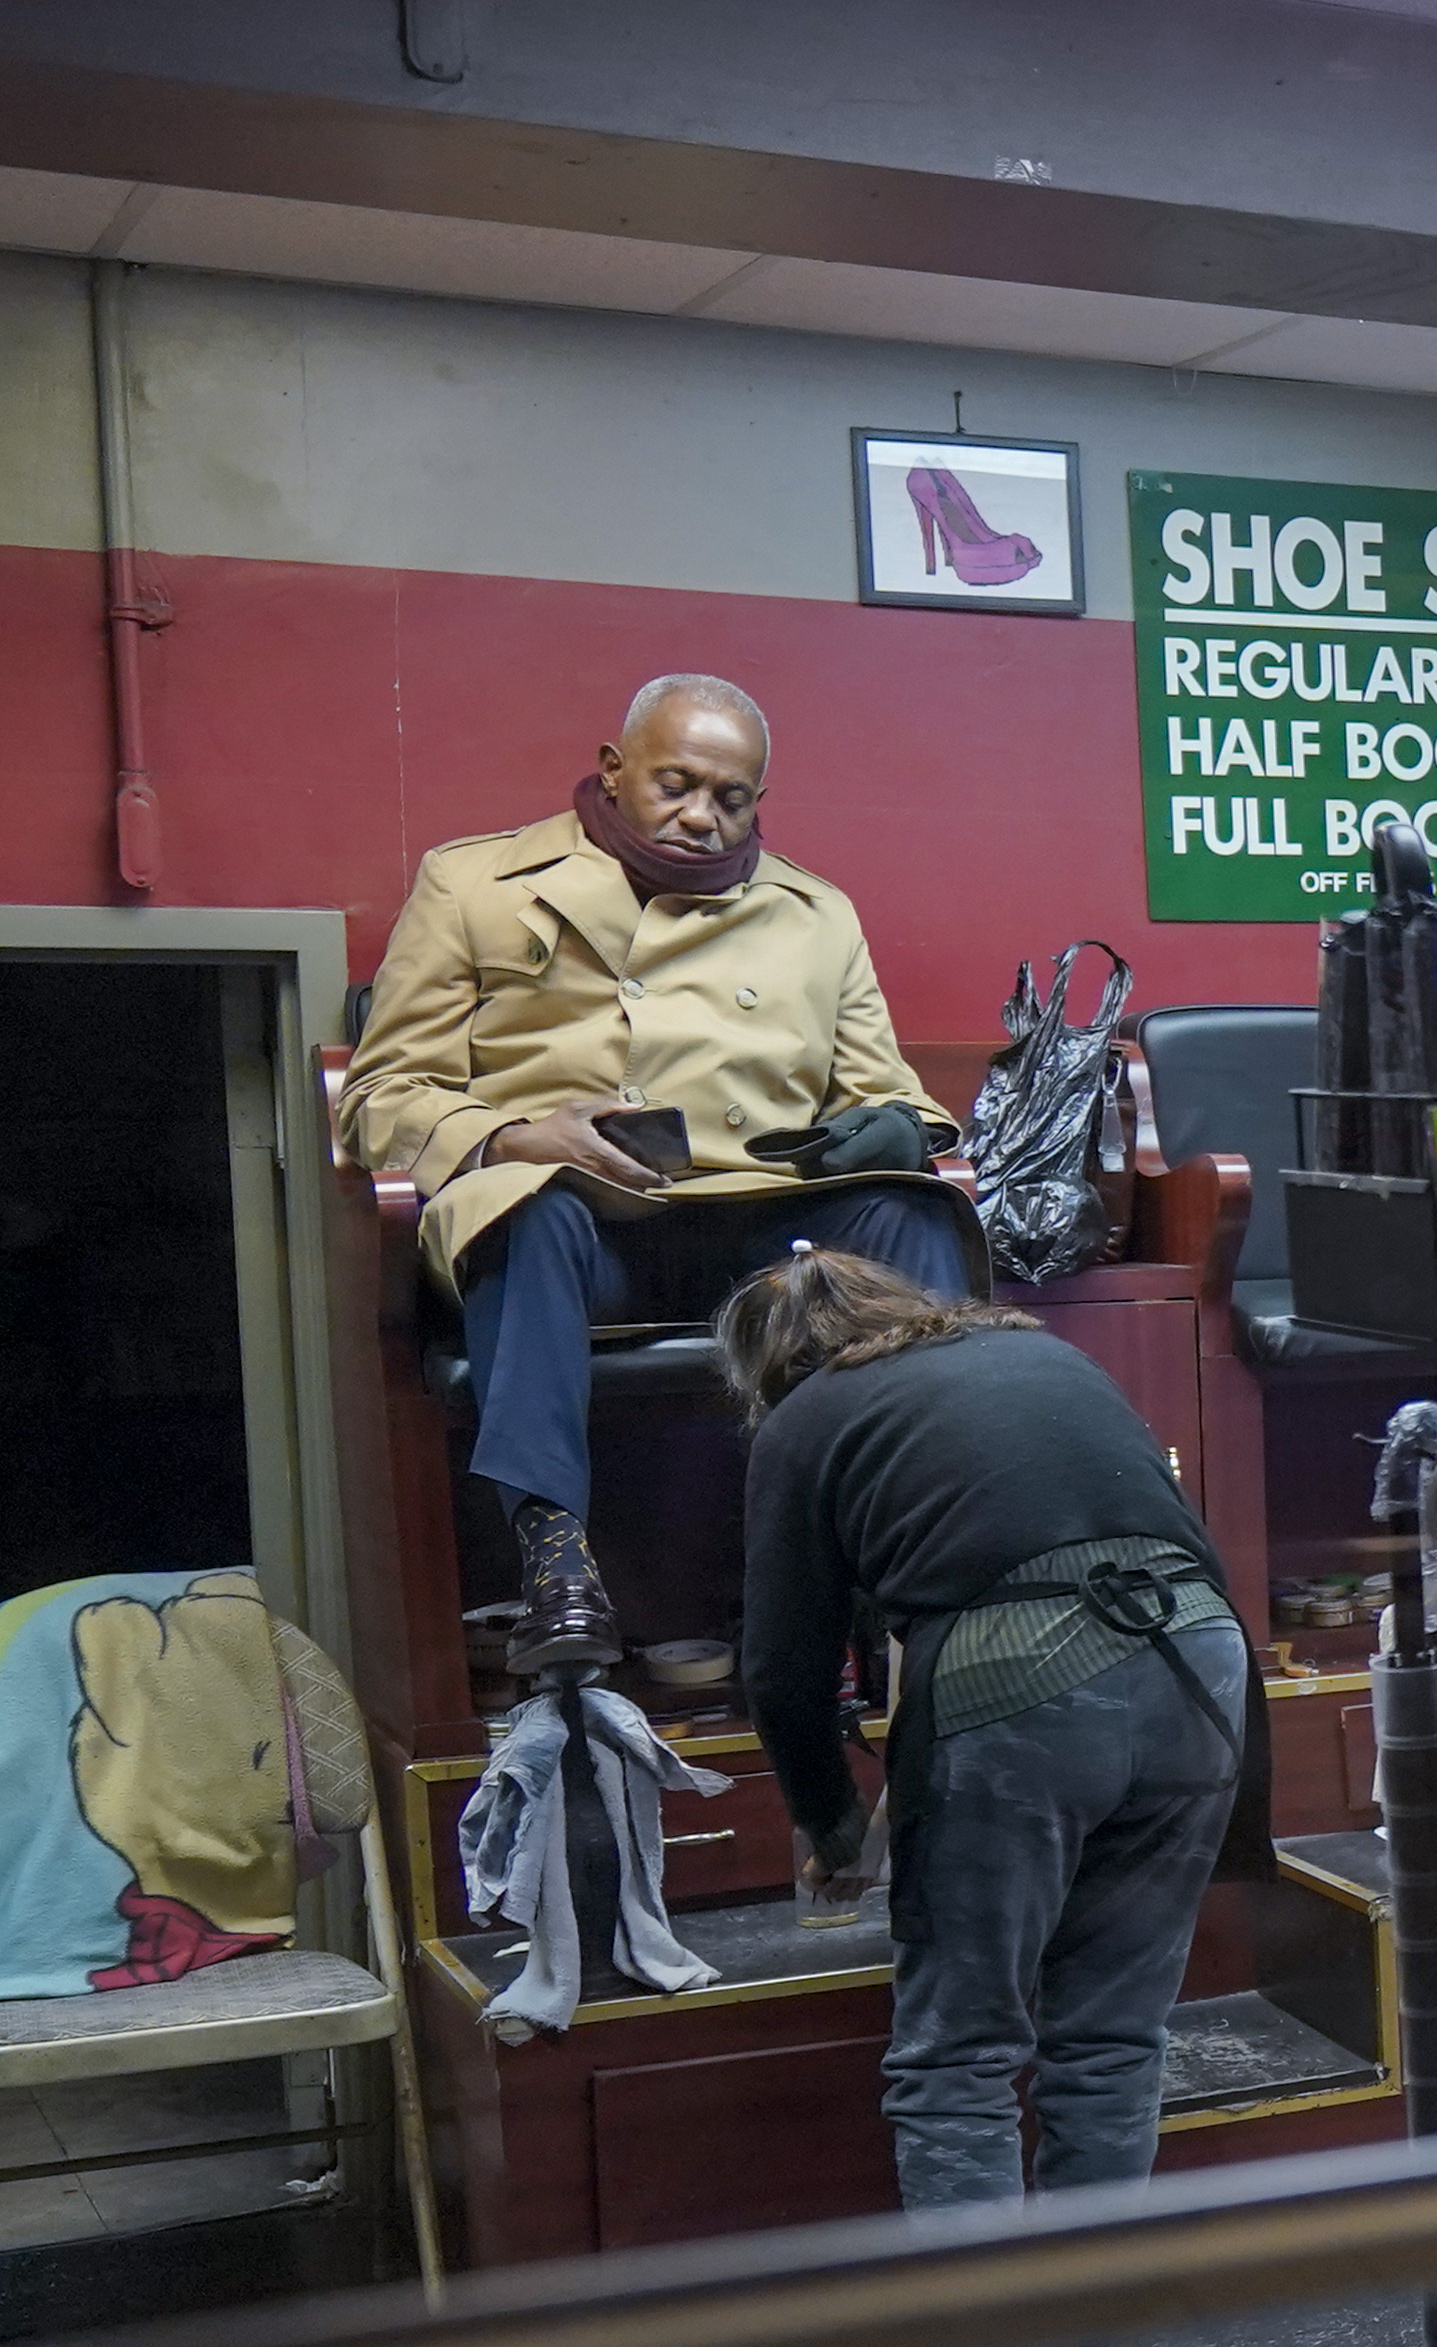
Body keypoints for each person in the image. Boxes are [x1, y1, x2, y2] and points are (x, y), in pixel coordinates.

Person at [720, 1249, 1248, 2347]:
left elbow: (783, 1669)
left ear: (771, 1366)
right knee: (1112, 2037)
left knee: (959, 2050)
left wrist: (834, 1826)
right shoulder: (1037, 1350)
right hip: (1205, 1664)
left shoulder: (807, 1417)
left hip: (1022, 1675)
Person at [339, 675, 969, 1677]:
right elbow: (380, 1093)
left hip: (762, 1236)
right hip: (584, 1229)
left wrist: (886, 1133)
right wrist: (518, 1138)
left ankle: (922, 1545)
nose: (701, 817)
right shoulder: (474, 885)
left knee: (915, 1213)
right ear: (614, 770)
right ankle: (556, 1562)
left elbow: (887, 1091)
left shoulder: (816, 913)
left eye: (733, 798)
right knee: (521, 1208)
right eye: (677, 784)